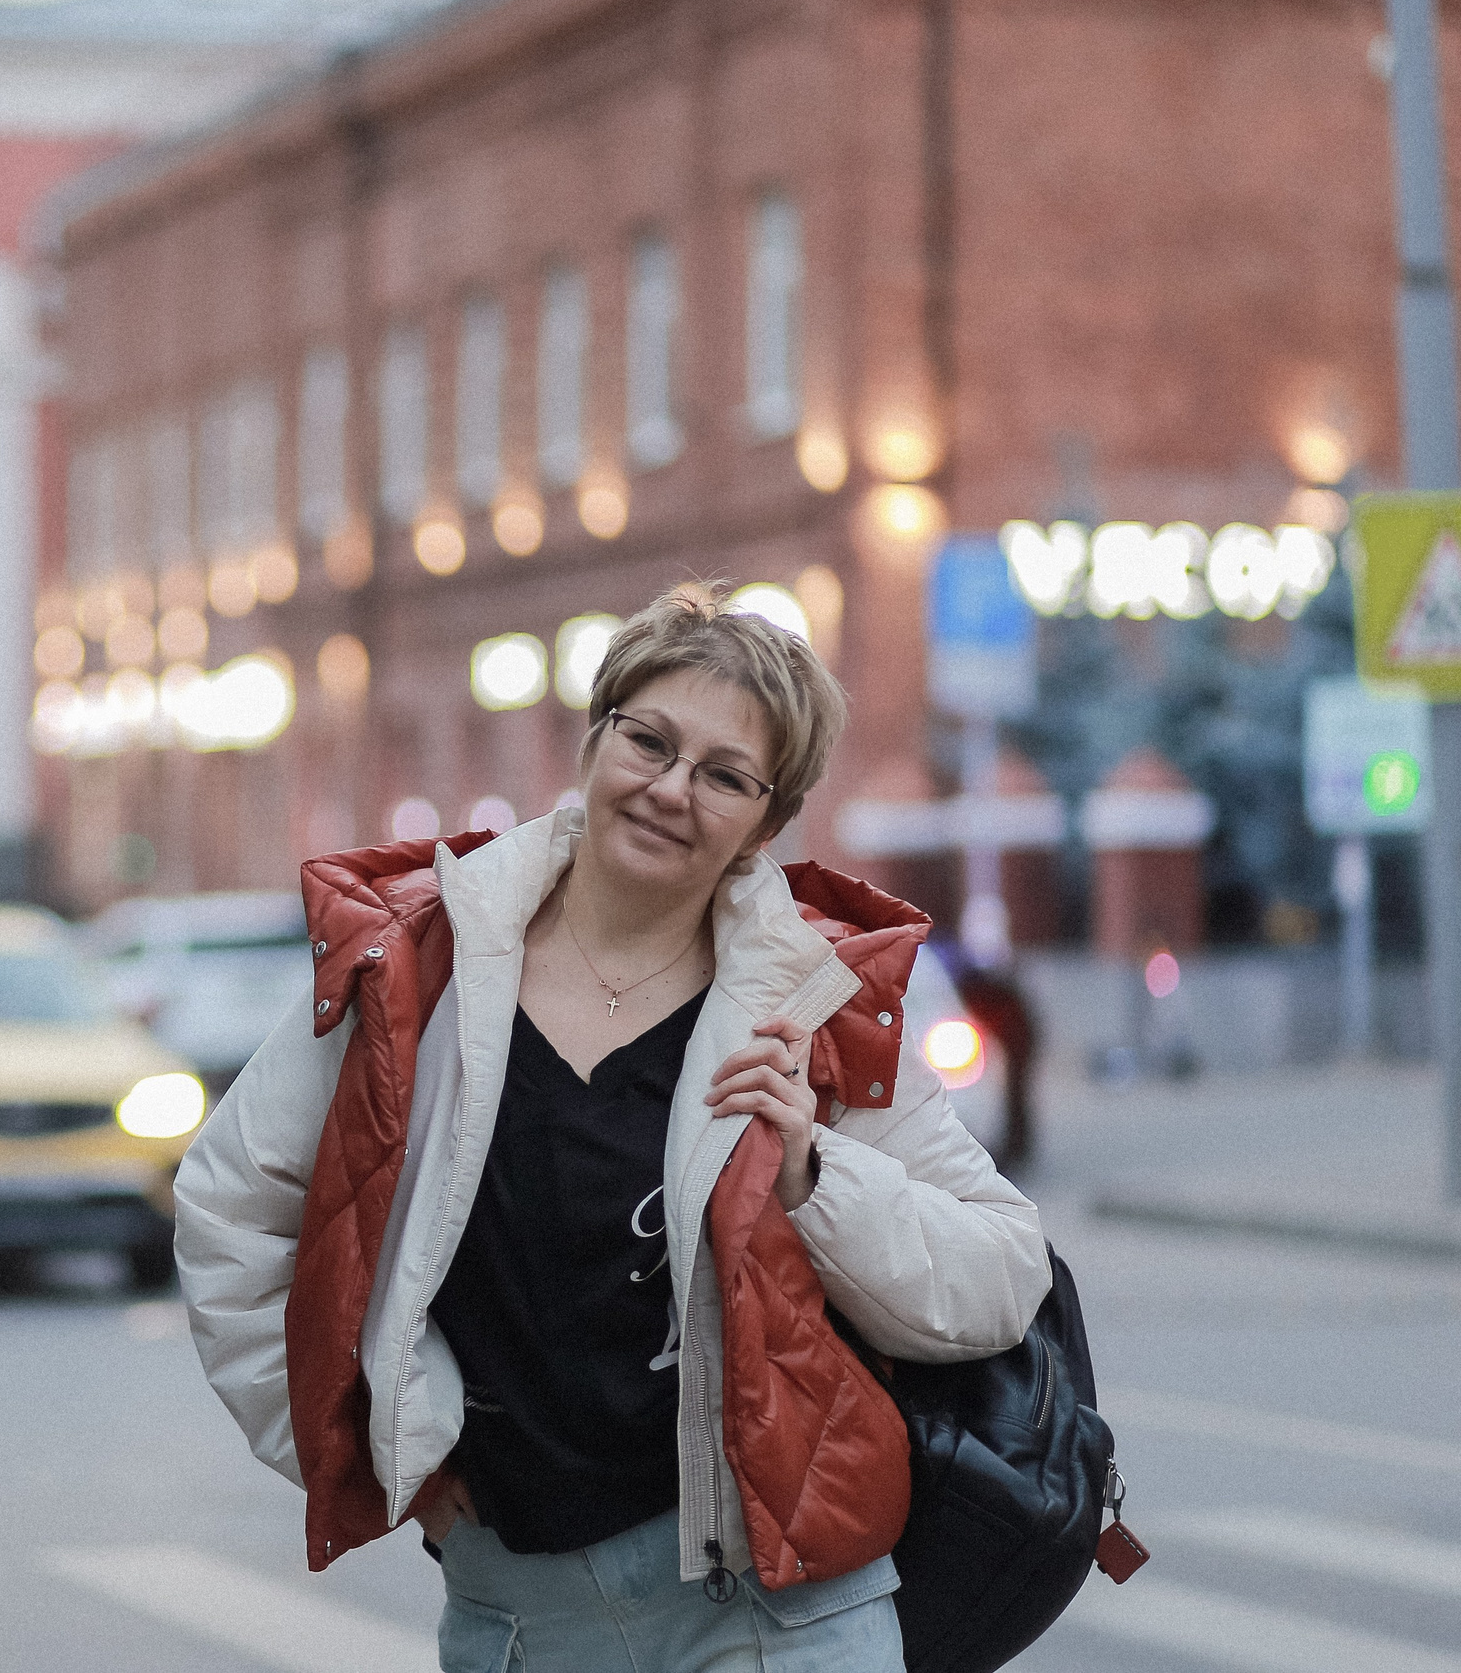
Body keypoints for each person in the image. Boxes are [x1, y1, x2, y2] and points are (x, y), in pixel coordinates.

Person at [174, 584, 1050, 1672]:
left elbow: (1004, 1271)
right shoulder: (418, 975)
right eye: (650, 741)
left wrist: (815, 1175)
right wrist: (385, 1454)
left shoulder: (806, 1008)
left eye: (725, 775)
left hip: (779, 1614)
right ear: (594, 737)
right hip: (518, 1617)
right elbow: (228, 1207)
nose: (672, 789)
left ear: (765, 825)